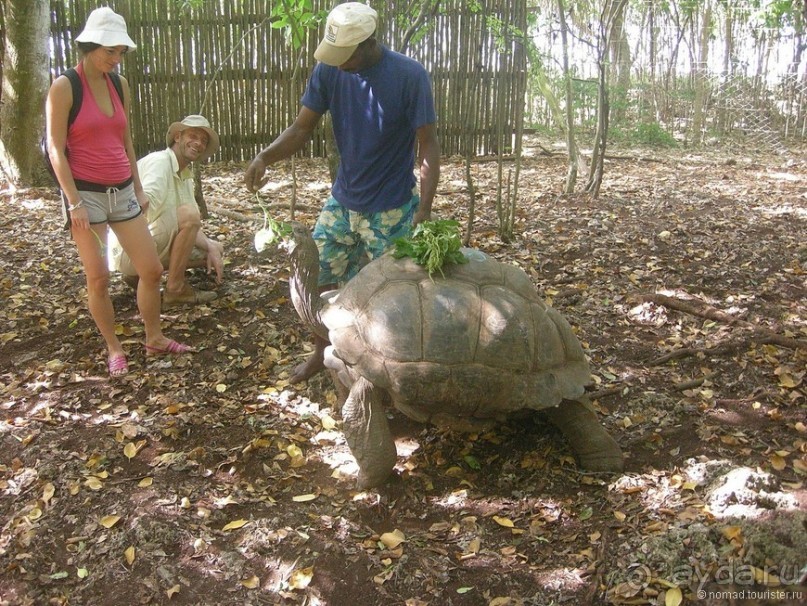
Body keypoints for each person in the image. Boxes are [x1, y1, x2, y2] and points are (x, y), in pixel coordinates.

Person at [244, 1, 440, 383]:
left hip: (391, 207)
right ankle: (322, 353)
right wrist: (265, 157)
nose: (338, 62)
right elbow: (301, 128)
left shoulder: (409, 75)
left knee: (392, 297)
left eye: (345, 55)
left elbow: (428, 143)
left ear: (368, 44)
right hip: (343, 201)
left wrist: (425, 208)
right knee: (316, 277)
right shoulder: (329, 70)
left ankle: (383, 374)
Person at [46, 7, 192, 378]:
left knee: (151, 270)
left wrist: (138, 187)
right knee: (98, 278)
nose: (116, 58)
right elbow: (55, 149)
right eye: (109, 51)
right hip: (86, 195)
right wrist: (74, 203)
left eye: (121, 52)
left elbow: (125, 139)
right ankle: (114, 347)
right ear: (90, 45)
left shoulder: (119, 84)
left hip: (123, 189)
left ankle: (154, 337)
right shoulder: (65, 87)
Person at [111, 115, 224, 306]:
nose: (198, 143)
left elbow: (190, 226)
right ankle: (175, 289)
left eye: (203, 141)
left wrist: (211, 246)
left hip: (148, 242)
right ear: (177, 137)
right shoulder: (160, 162)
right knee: (189, 215)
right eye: (193, 136)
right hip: (129, 249)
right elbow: (141, 209)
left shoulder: (184, 174)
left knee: (214, 248)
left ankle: (138, 277)